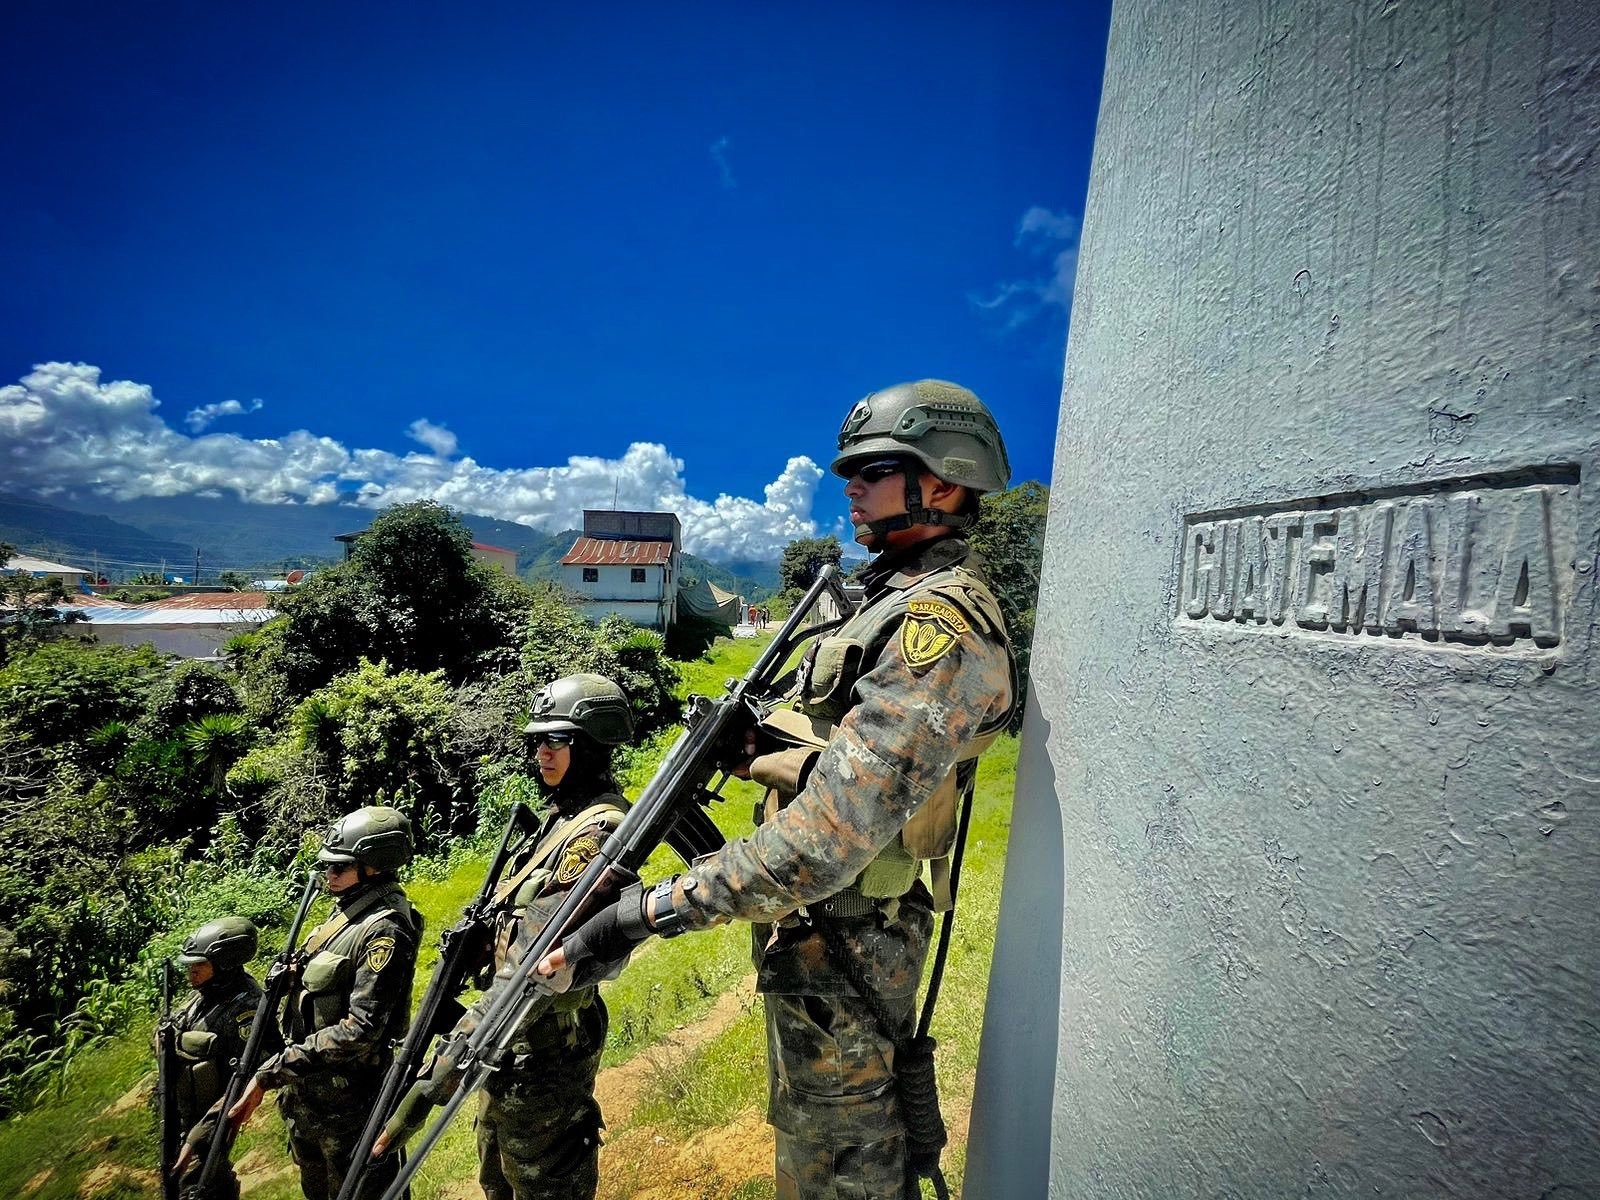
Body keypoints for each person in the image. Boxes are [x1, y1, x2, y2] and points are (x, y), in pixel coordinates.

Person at [541, 379, 1016, 1200]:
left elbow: (831, 837)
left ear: (942, 483)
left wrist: (643, 914)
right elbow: (845, 758)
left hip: (854, 954)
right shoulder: (883, 603)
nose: (850, 487)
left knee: (841, 1174)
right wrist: (760, 747)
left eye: (873, 469)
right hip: (821, 956)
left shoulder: (940, 627)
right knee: (813, 1152)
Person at [226, 805, 422, 1200]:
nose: (328, 876)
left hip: (352, 1111)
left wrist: (274, 1071)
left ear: (374, 866)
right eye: (327, 868)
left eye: (339, 868)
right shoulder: (343, 918)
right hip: (313, 1106)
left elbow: (361, 1029)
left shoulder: (384, 928)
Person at [163, 916, 274, 1200]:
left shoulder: (245, 1009)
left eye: (199, 965)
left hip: (211, 1126)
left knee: (197, 1188)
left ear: (224, 963)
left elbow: (245, 1080)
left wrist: (199, 1136)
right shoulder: (203, 997)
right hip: (182, 1119)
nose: (192, 973)